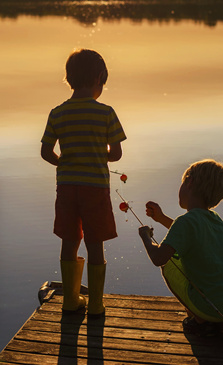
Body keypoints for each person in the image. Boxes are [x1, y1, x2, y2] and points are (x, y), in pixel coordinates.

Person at [41, 48, 127, 316]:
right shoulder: (106, 113)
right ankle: (96, 305)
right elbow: (117, 154)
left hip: (67, 188)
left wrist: (64, 163)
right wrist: (100, 156)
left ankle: (70, 300)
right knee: (94, 243)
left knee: (69, 239)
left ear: (69, 78)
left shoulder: (57, 113)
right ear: (100, 77)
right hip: (95, 189)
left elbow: (46, 152)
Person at [138, 159, 223, 347]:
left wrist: (145, 237)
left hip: (212, 307)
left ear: (189, 182)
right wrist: (160, 219)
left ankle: (203, 322)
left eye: (182, 182)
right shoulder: (215, 220)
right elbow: (187, 235)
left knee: (171, 264)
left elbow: (158, 258)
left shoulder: (186, 222)